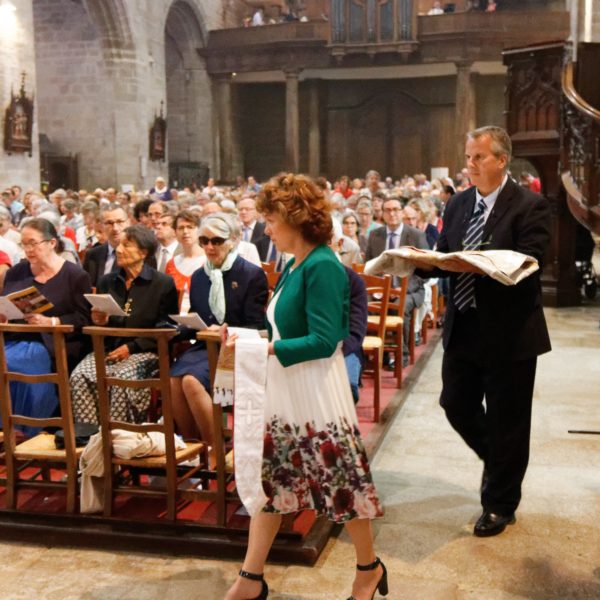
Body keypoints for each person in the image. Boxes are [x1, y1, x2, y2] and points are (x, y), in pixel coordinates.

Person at [225, 173, 385, 600]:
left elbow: (325, 339)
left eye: (271, 220)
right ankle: (250, 578)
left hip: (316, 392)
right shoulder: (295, 263)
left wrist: (264, 348)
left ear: (294, 218)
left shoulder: (323, 265)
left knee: (342, 488)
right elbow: (284, 328)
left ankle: (368, 569)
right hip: (289, 388)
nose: (266, 229)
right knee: (274, 483)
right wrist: (247, 338)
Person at [416, 126, 552, 537]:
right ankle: (500, 465)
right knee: (455, 403)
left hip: (510, 331)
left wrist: (479, 263)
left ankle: (499, 504)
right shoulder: (458, 203)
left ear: (501, 160)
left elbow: (531, 263)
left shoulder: (530, 205)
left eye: (478, 157)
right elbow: (446, 252)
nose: (470, 165)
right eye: (468, 157)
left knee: (509, 420)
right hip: (464, 324)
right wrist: (419, 262)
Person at [170, 213, 268, 461]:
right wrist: (176, 327)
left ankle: (215, 449)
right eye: (204, 241)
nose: (209, 247)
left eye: (217, 241)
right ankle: (194, 448)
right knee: (173, 380)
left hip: (236, 346)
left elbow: (256, 326)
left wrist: (224, 329)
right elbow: (197, 319)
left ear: (233, 240)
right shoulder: (199, 276)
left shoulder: (251, 274)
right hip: (206, 346)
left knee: (191, 381)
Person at [71, 225, 179, 425]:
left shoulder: (162, 284)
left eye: (126, 245)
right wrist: (100, 321)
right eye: (119, 244)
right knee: (80, 376)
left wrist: (132, 347)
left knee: (121, 379)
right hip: (110, 349)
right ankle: (90, 436)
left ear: (143, 252)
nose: (119, 250)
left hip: (145, 351)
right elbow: (101, 325)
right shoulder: (107, 281)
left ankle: (120, 435)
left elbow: (167, 327)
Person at [0, 218, 92, 435]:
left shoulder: (75, 275)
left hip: (53, 342)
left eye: (33, 243)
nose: (28, 249)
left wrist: (52, 321)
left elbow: (84, 318)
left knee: (13, 364)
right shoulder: (17, 272)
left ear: (52, 243)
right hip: (15, 337)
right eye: (24, 244)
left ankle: (22, 430)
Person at [366, 196, 429, 367]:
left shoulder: (416, 235)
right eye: (387, 210)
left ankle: (402, 355)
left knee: (399, 307)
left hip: (410, 290)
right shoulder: (375, 235)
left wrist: (402, 290)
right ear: (382, 214)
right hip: (381, 290)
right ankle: (377, 353)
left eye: (395, 210)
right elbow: (369, 266)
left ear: (402, 212)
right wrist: (378, 289)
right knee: (364, 304)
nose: (392, 213)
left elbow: (426, 271)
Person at [164, 210, 205, 312]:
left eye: (190, 227)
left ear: (199, 230)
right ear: (175, 232)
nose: (185, 231)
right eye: (181, 228)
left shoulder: (210, 261)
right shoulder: (171, 264)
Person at [83, 204, 130, 287]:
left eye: (119, 222)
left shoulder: (139, 254)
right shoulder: (92, 255)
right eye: (109, 223)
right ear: (102, 226)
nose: (115, 228)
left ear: (128, 222)